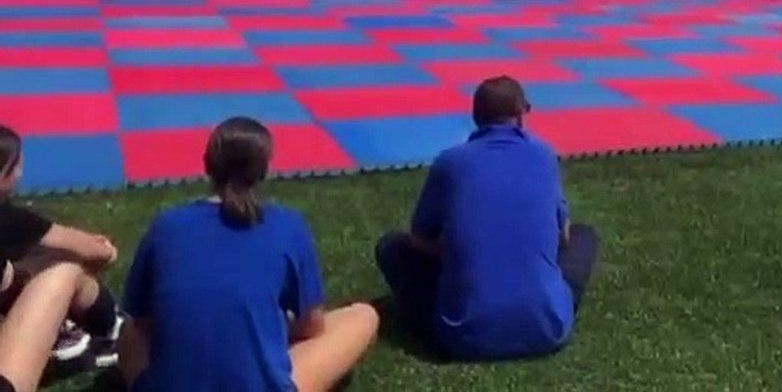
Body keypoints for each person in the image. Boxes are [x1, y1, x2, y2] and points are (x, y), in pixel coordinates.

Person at [117, 118, 379, 392]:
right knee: (362, 315)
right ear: (263, 169)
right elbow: (312, 327)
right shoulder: (288, 226)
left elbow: (144, 323)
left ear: (207, 164)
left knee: (128, 334)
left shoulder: (166, 226)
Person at [374, 77, 600, 361]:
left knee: (391, 247)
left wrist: (458, 251)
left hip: (464, 337)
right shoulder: (543, 155)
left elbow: (419, 239)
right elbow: (563, 236)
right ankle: (538, 296)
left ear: (476, 117)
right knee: (584, 237)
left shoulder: (450, 162)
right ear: (522, 114)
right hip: (548, 329)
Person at [0, 125, 124, 373]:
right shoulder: (9, 219)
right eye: (16, 168)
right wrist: (106, 253)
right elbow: (90, 249)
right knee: (67, 269)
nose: (21, 173)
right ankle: (108, 330)